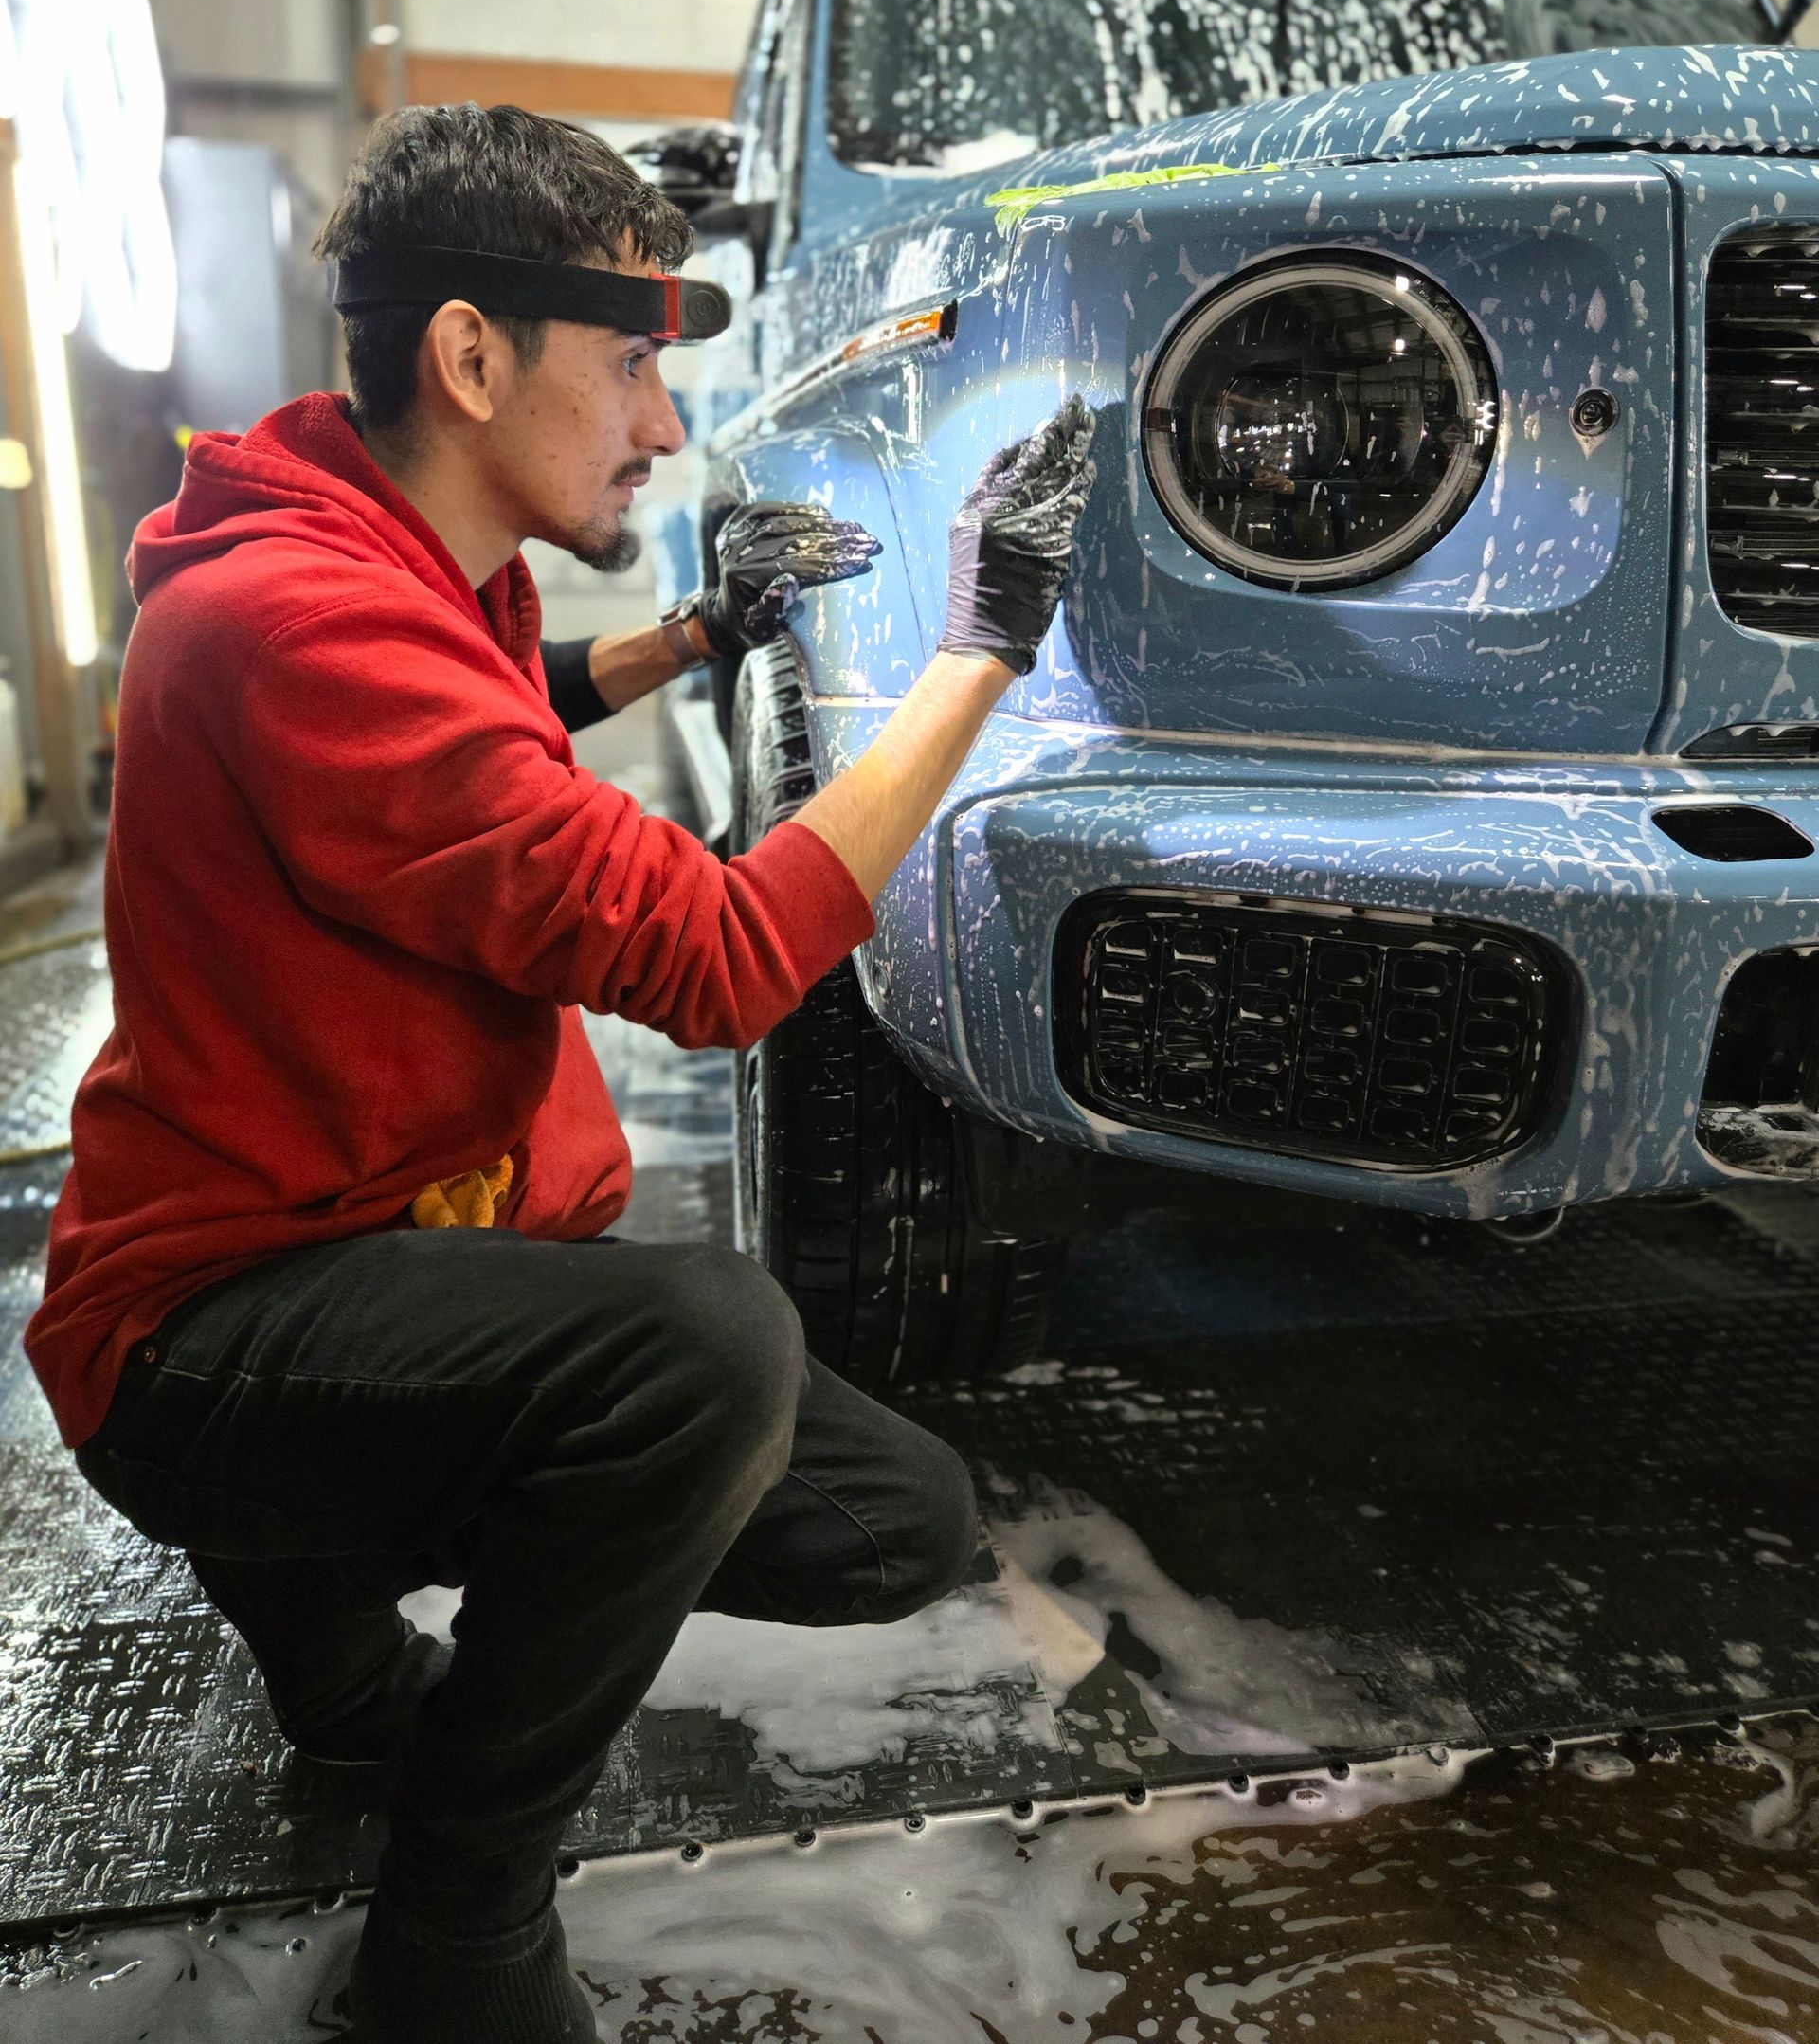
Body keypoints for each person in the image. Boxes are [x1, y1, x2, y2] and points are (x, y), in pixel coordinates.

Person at [23, 103, 1095, 2044]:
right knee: (699, 1350)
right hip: (202, 1324)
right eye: (630, 364)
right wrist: (981, 649)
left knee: (896, 1521)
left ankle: (335, 1634)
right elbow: (725, 958)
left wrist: (704, 633)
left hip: (351, 1255)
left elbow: (485, 728)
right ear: (469, 354)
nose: (664, 427)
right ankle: (452, 1927)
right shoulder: (299, 622)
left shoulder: (371, 556)